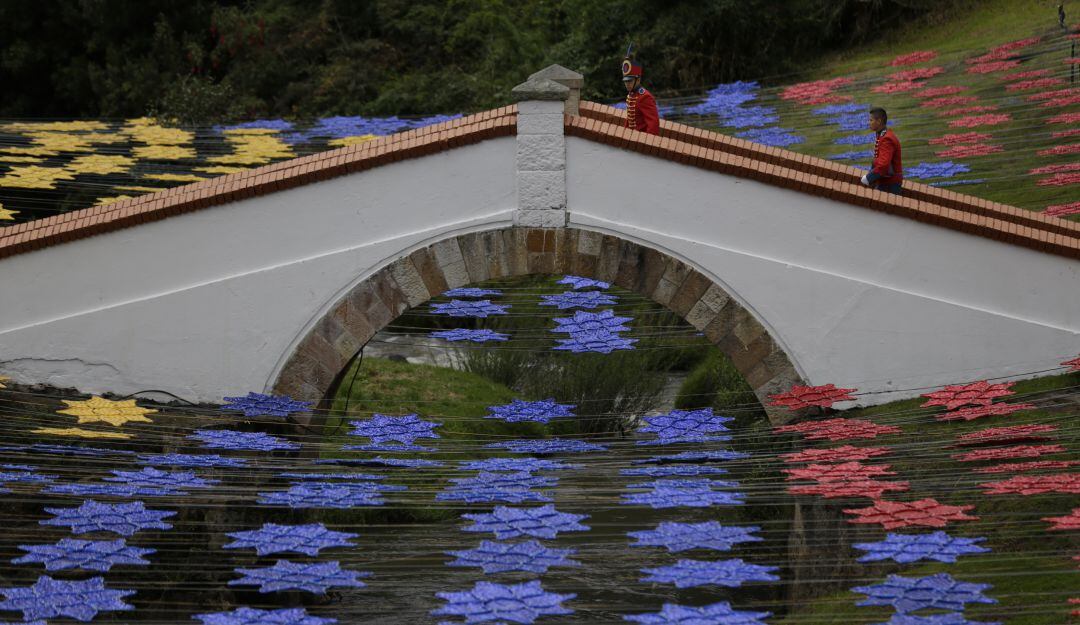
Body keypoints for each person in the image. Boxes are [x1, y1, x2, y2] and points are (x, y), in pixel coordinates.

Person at [860, 107, 903, 195]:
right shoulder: (882, 135)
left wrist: (868, 178)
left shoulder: (887, 138)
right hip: (886, 182)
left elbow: (883, 165)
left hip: (890, 185)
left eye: (871, 120)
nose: (869, 123)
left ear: (879, 121)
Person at [621, 49, 660, 135]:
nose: (627, 84)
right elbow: (630, 121)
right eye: (625, 81)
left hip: (641, 140)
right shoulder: (631, 95)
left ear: (638, 80)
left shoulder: (645, 97)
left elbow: (653, 124)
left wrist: (647, 145)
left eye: (630, 81)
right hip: (632, 138)